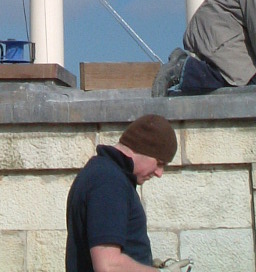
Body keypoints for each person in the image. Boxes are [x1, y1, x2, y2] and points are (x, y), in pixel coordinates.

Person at [65, 114, 185, 272]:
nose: (159, 173)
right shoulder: (108, 182)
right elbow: (108, 265)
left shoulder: (103, 174)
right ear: (142, 148)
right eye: (159, 163)